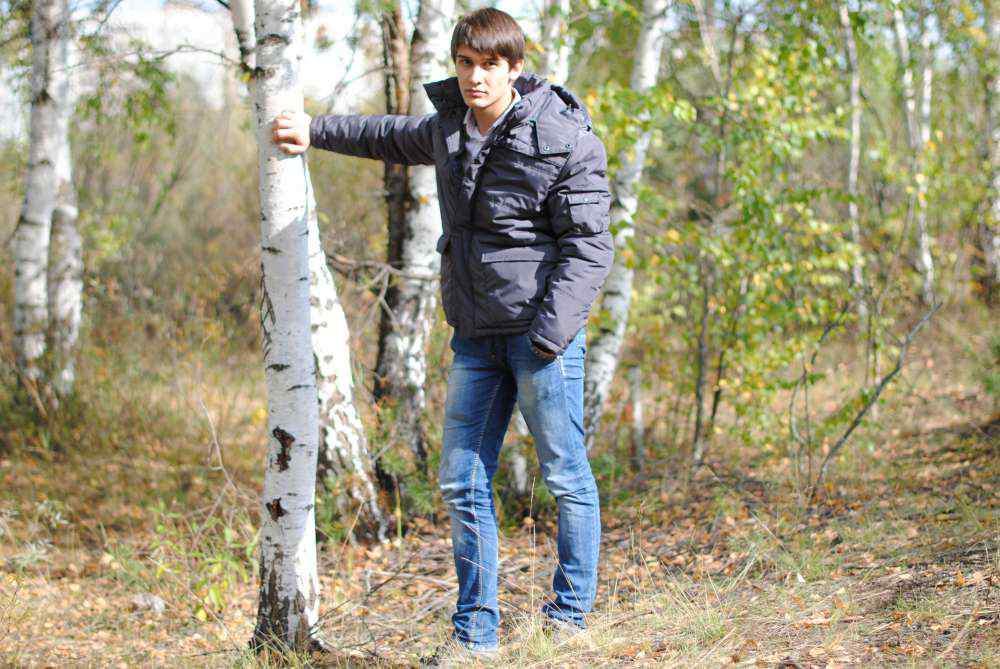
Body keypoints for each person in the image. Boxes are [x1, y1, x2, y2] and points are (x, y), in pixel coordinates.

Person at [272, 7, 614, 657]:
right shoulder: (451, 129)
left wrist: (549, 335)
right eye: (465, 64)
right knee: (461, 481)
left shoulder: (563, 136)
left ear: (515, 68)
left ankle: (569, 618)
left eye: (489, 65)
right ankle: (475, 634)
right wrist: (312, 129)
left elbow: (590, 248)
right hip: (475, 338)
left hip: (541, 338)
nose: (475, 77)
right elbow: (386, 135)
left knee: (566, 475)